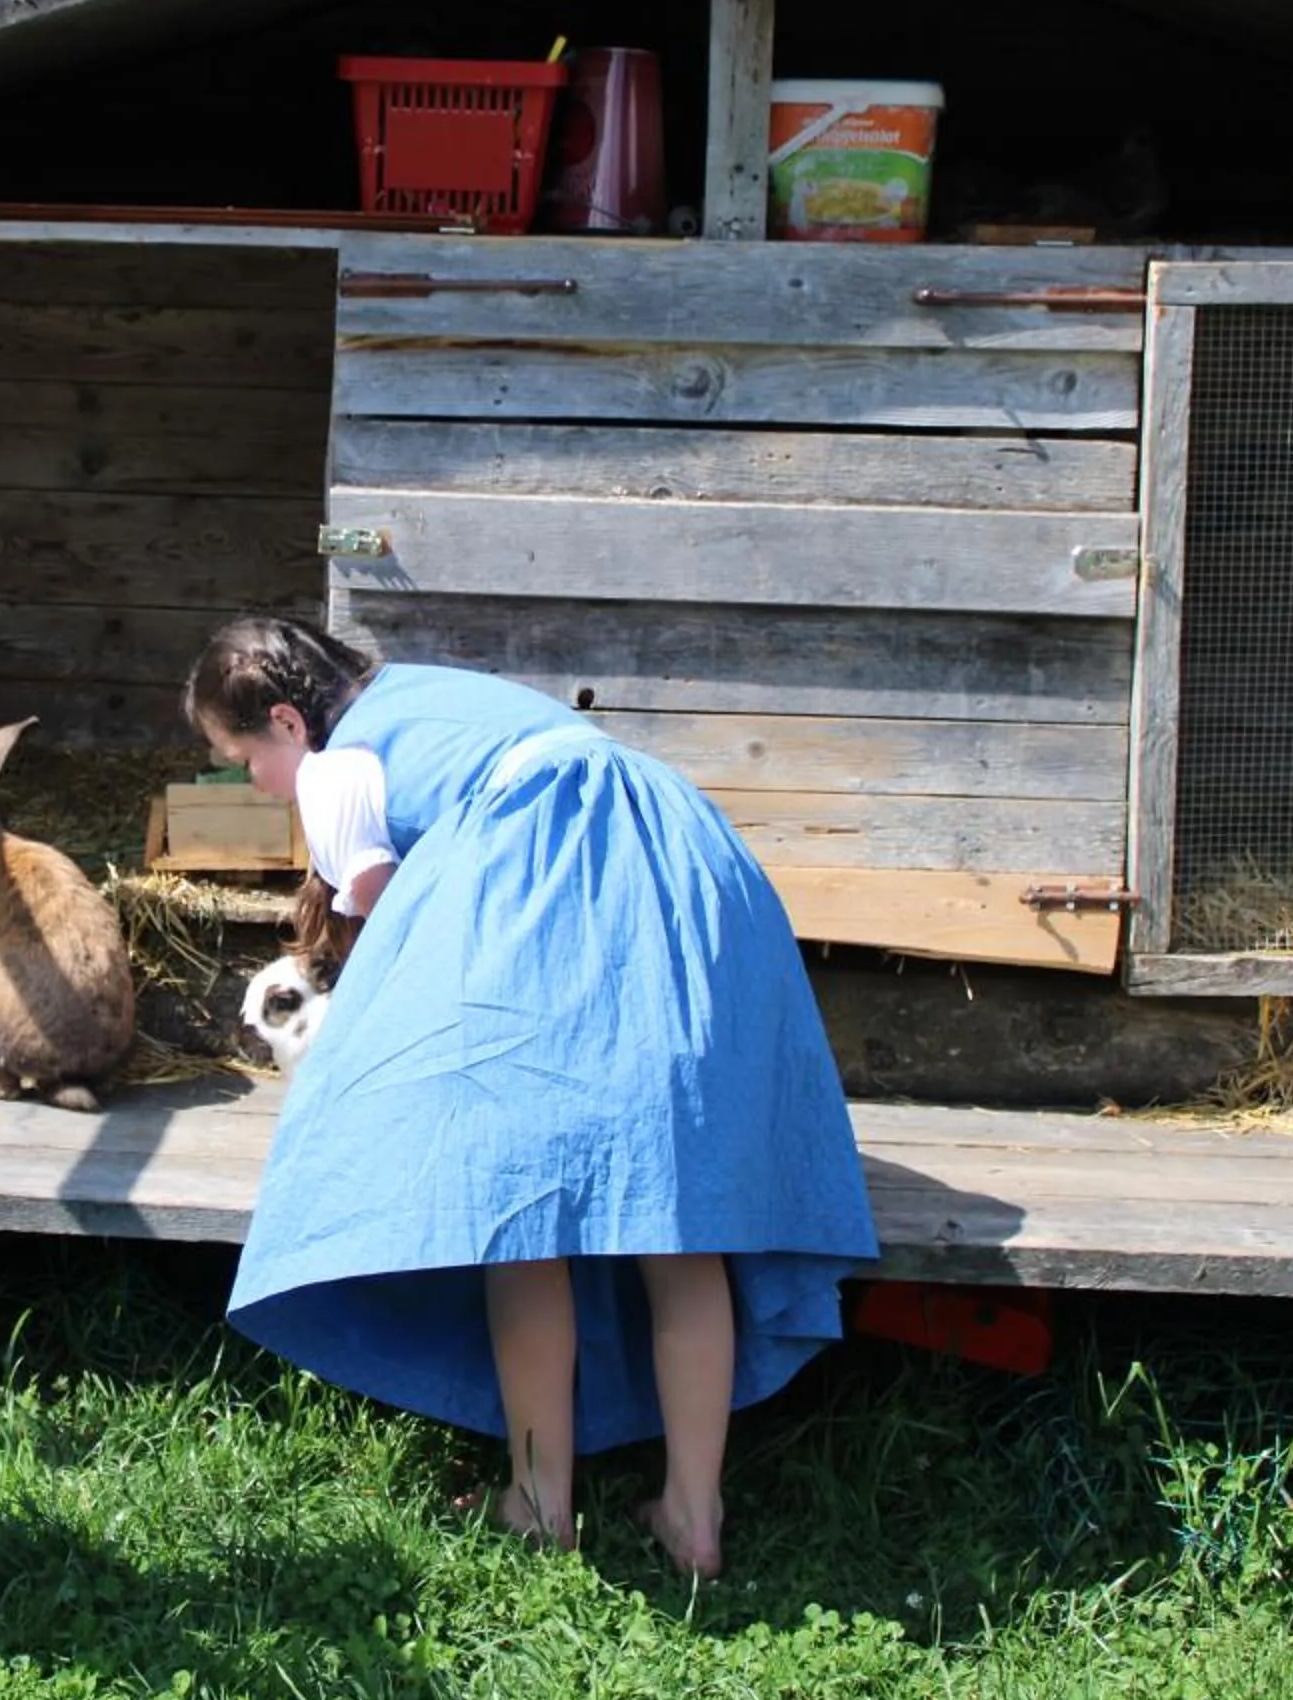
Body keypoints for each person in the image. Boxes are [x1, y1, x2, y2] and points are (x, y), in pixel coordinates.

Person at [185, 617, 877, 1574]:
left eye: (241, 760)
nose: (253, 785)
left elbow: (401, 944)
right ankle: (693, 1512)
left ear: (288, 723)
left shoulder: (339, 772)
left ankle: (542, 1500)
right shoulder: (431, 689)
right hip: (674, 865)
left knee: (514, 1217)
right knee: (675, 1224)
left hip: (547, 889)